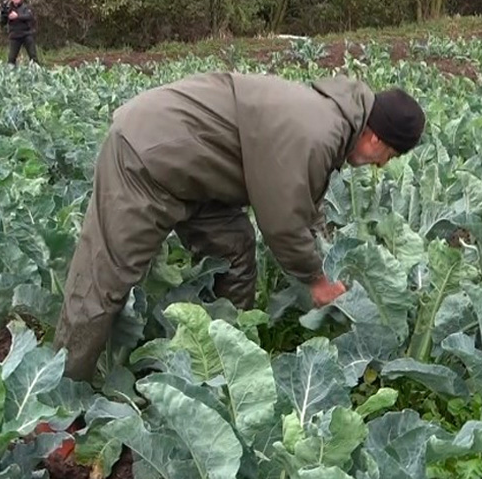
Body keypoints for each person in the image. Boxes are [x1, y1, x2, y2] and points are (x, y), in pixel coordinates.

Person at [52, 71, 426, 382]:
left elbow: (299, 195)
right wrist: (317, 280)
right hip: (149, 154)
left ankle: (222, 358)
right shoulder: (319, 132)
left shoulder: (332, 119)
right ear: (375, 137)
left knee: (233, 248)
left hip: (199, 171)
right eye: (389, 156)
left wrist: (320, 241)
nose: (381, 166)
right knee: (105, 279)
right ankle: (60, 397)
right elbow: (282, 222)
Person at [0, 0, 39, 66]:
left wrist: (17, 16)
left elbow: (29, 16)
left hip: (26, 34)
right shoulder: (8, 8)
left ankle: (37, 72)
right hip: (14, 36)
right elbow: (2, 23)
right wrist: (3, 15)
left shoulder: (25, 7)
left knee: (33, 56)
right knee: (11, 59)